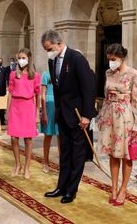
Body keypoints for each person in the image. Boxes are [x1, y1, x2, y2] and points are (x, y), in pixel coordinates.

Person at [41, 29, 96, 204]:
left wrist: (87, 115)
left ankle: (71, 191)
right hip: (62, 115)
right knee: (64, 153)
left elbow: (88, 88)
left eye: (49, 48)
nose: (48, 52)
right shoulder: (53, 60)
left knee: (77, 155)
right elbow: (57, 89)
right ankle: (61, 187)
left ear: (58, 43)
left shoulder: (76, 58)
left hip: (78, 116)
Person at [96, 44, 137, 206]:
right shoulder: (108, 72)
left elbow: (136, 100)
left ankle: (124, 189)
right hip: (110, 114)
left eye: (113, 59)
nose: (111, 63)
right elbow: (105, 95)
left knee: (125, 153)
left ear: (121, 58)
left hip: (125, 115)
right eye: (109, 59)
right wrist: (102, 117)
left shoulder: (133, 73)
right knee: (112, 153)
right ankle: (114, 187)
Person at [7, 48, 41, 179]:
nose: (21, 60)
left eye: (23, 58)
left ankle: (27, 167)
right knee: (14, 138)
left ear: (29, 59)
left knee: (28, 139)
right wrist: (7, 110)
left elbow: (37, 95)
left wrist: (37, 113)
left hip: (28, 107)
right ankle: (17, 165)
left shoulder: (35, 75)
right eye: (19, 58)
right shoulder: (13, 74)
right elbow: (10, 92)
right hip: (15, 106)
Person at [40, 70, 59, 173]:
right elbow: (42, 95)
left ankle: (62, 163)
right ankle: (46, 162)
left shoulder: (63, 72)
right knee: (48, 135)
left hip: (60, 105)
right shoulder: (46, 73)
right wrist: (44, 112)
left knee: (61, 136)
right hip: (49, 106)